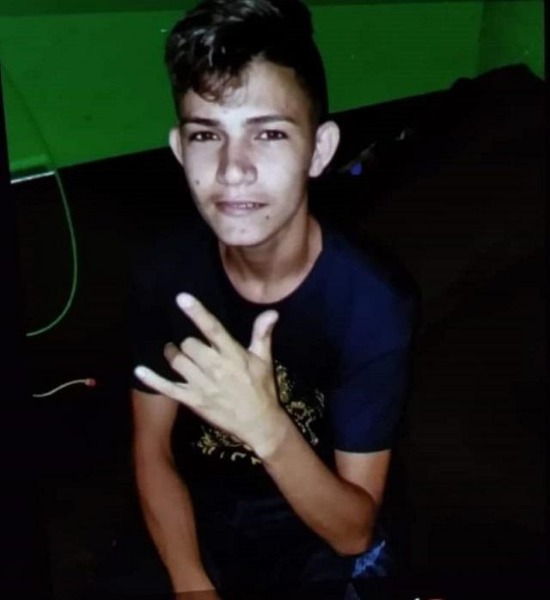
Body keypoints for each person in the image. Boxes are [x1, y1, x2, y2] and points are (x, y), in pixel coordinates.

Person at [126, 1, 416, 598]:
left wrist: (267, 427)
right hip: (200, 515)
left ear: (320, 150)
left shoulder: (371, 304)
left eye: (270, 134)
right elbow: (151, 447)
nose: (233, 170)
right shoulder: (163, 271)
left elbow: (353, 533)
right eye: (207, 134)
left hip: (318, 525)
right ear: (179, 148)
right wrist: (190, 582)